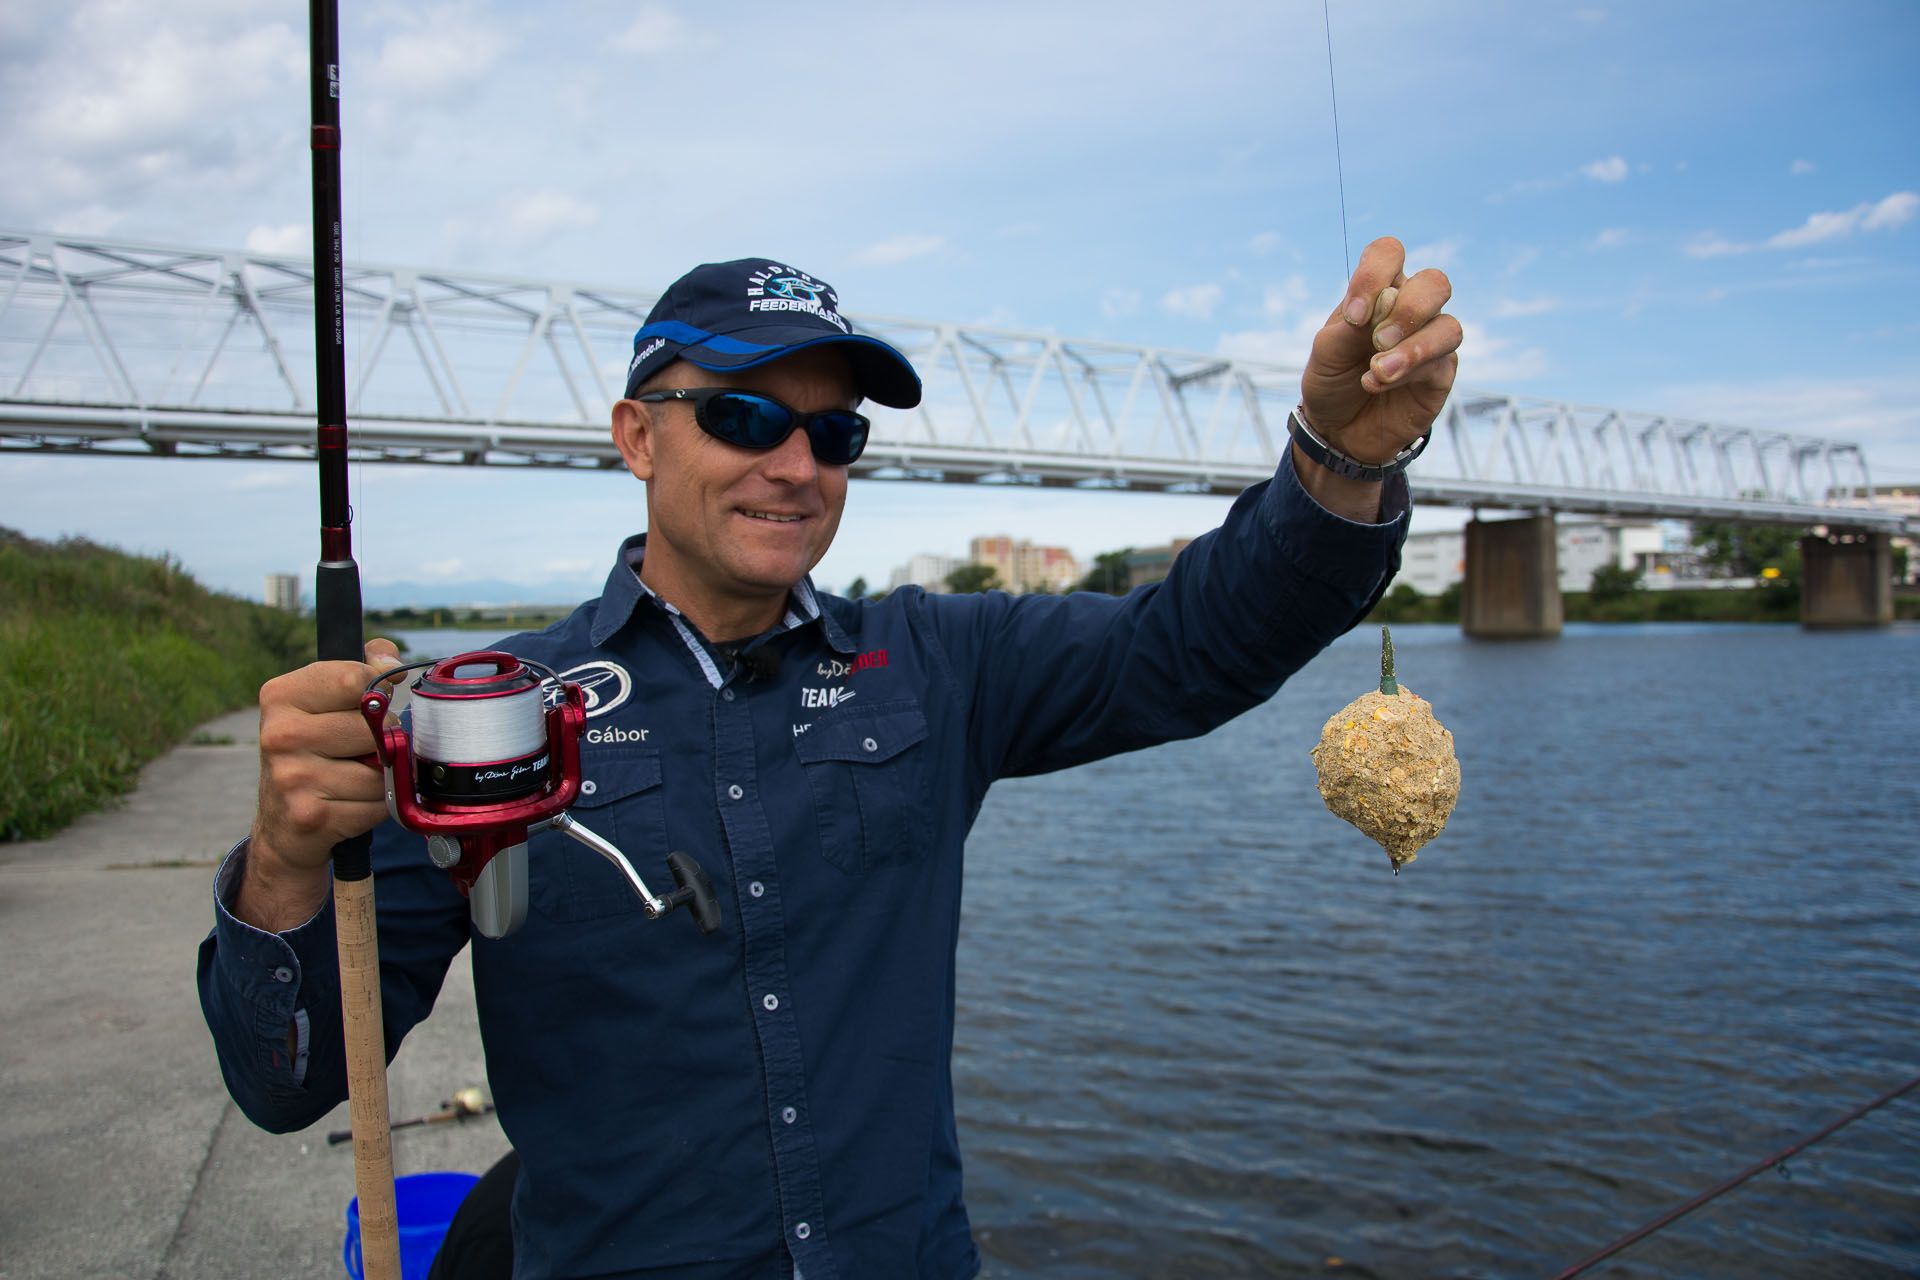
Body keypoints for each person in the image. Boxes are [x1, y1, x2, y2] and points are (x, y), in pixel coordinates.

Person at [199, 238, 1459, 1279]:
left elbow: (1194, 642)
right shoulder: (492, 713)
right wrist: (284, 861)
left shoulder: (938, 661)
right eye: (745, 415)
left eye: (833, 432)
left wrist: (1342, 457)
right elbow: (293, 1076)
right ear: (640, 437)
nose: (795, 464)